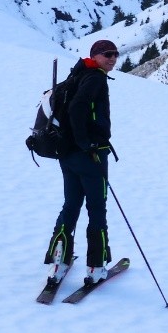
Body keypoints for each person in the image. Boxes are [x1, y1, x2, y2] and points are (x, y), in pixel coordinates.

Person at [43, 39, 118, 290]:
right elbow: (77, 109)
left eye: (115, 55)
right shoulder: (95, 78)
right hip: (91, 156)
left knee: (71, 204)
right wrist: (88, 144)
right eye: (107, 54)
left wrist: (77, 143)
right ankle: (96, 268)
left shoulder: (79, 73)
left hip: (67, 154)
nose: (112, 59)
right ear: (95, 55)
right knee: (97, 208)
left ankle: (58, 263)